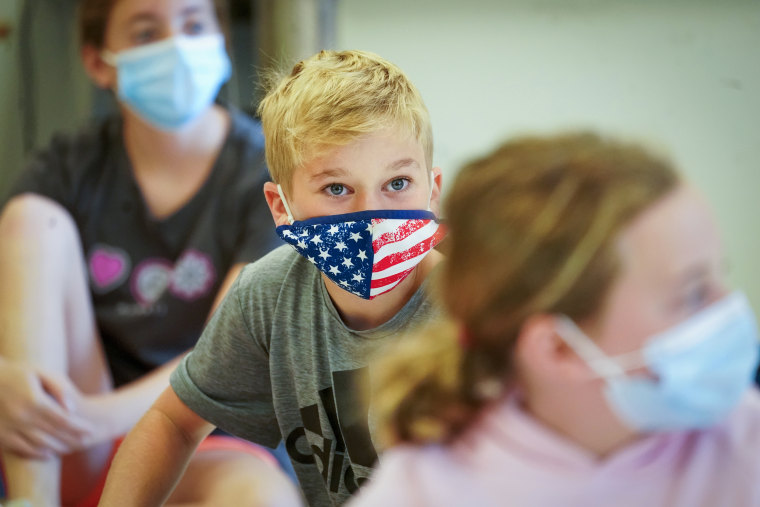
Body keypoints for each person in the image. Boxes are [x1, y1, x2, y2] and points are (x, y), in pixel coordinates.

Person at [98, 49, 446, 506]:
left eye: (397, 183)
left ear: (433, 189)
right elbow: (171, 422)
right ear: (281, 206)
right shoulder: (268, 296)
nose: (370, 213)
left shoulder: (474, 306)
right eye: (337, 188)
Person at [348, 132, 760, 507]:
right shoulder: (421, 492)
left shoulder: (744, 444)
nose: (731, 309)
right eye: (692, 293)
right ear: (559, 347)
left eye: (720, 275)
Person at [0, 0, 299, 505]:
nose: (175, 47)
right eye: (145, 32)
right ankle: (31, 499)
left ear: (220, 41)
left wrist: (86, 419)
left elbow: (222, 358)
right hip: (71, 441)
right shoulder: (67, 167)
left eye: (192, 24)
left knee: (260, 497)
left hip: (202, 434)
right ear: (99, 63)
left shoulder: (264, 176)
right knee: (31, 220)